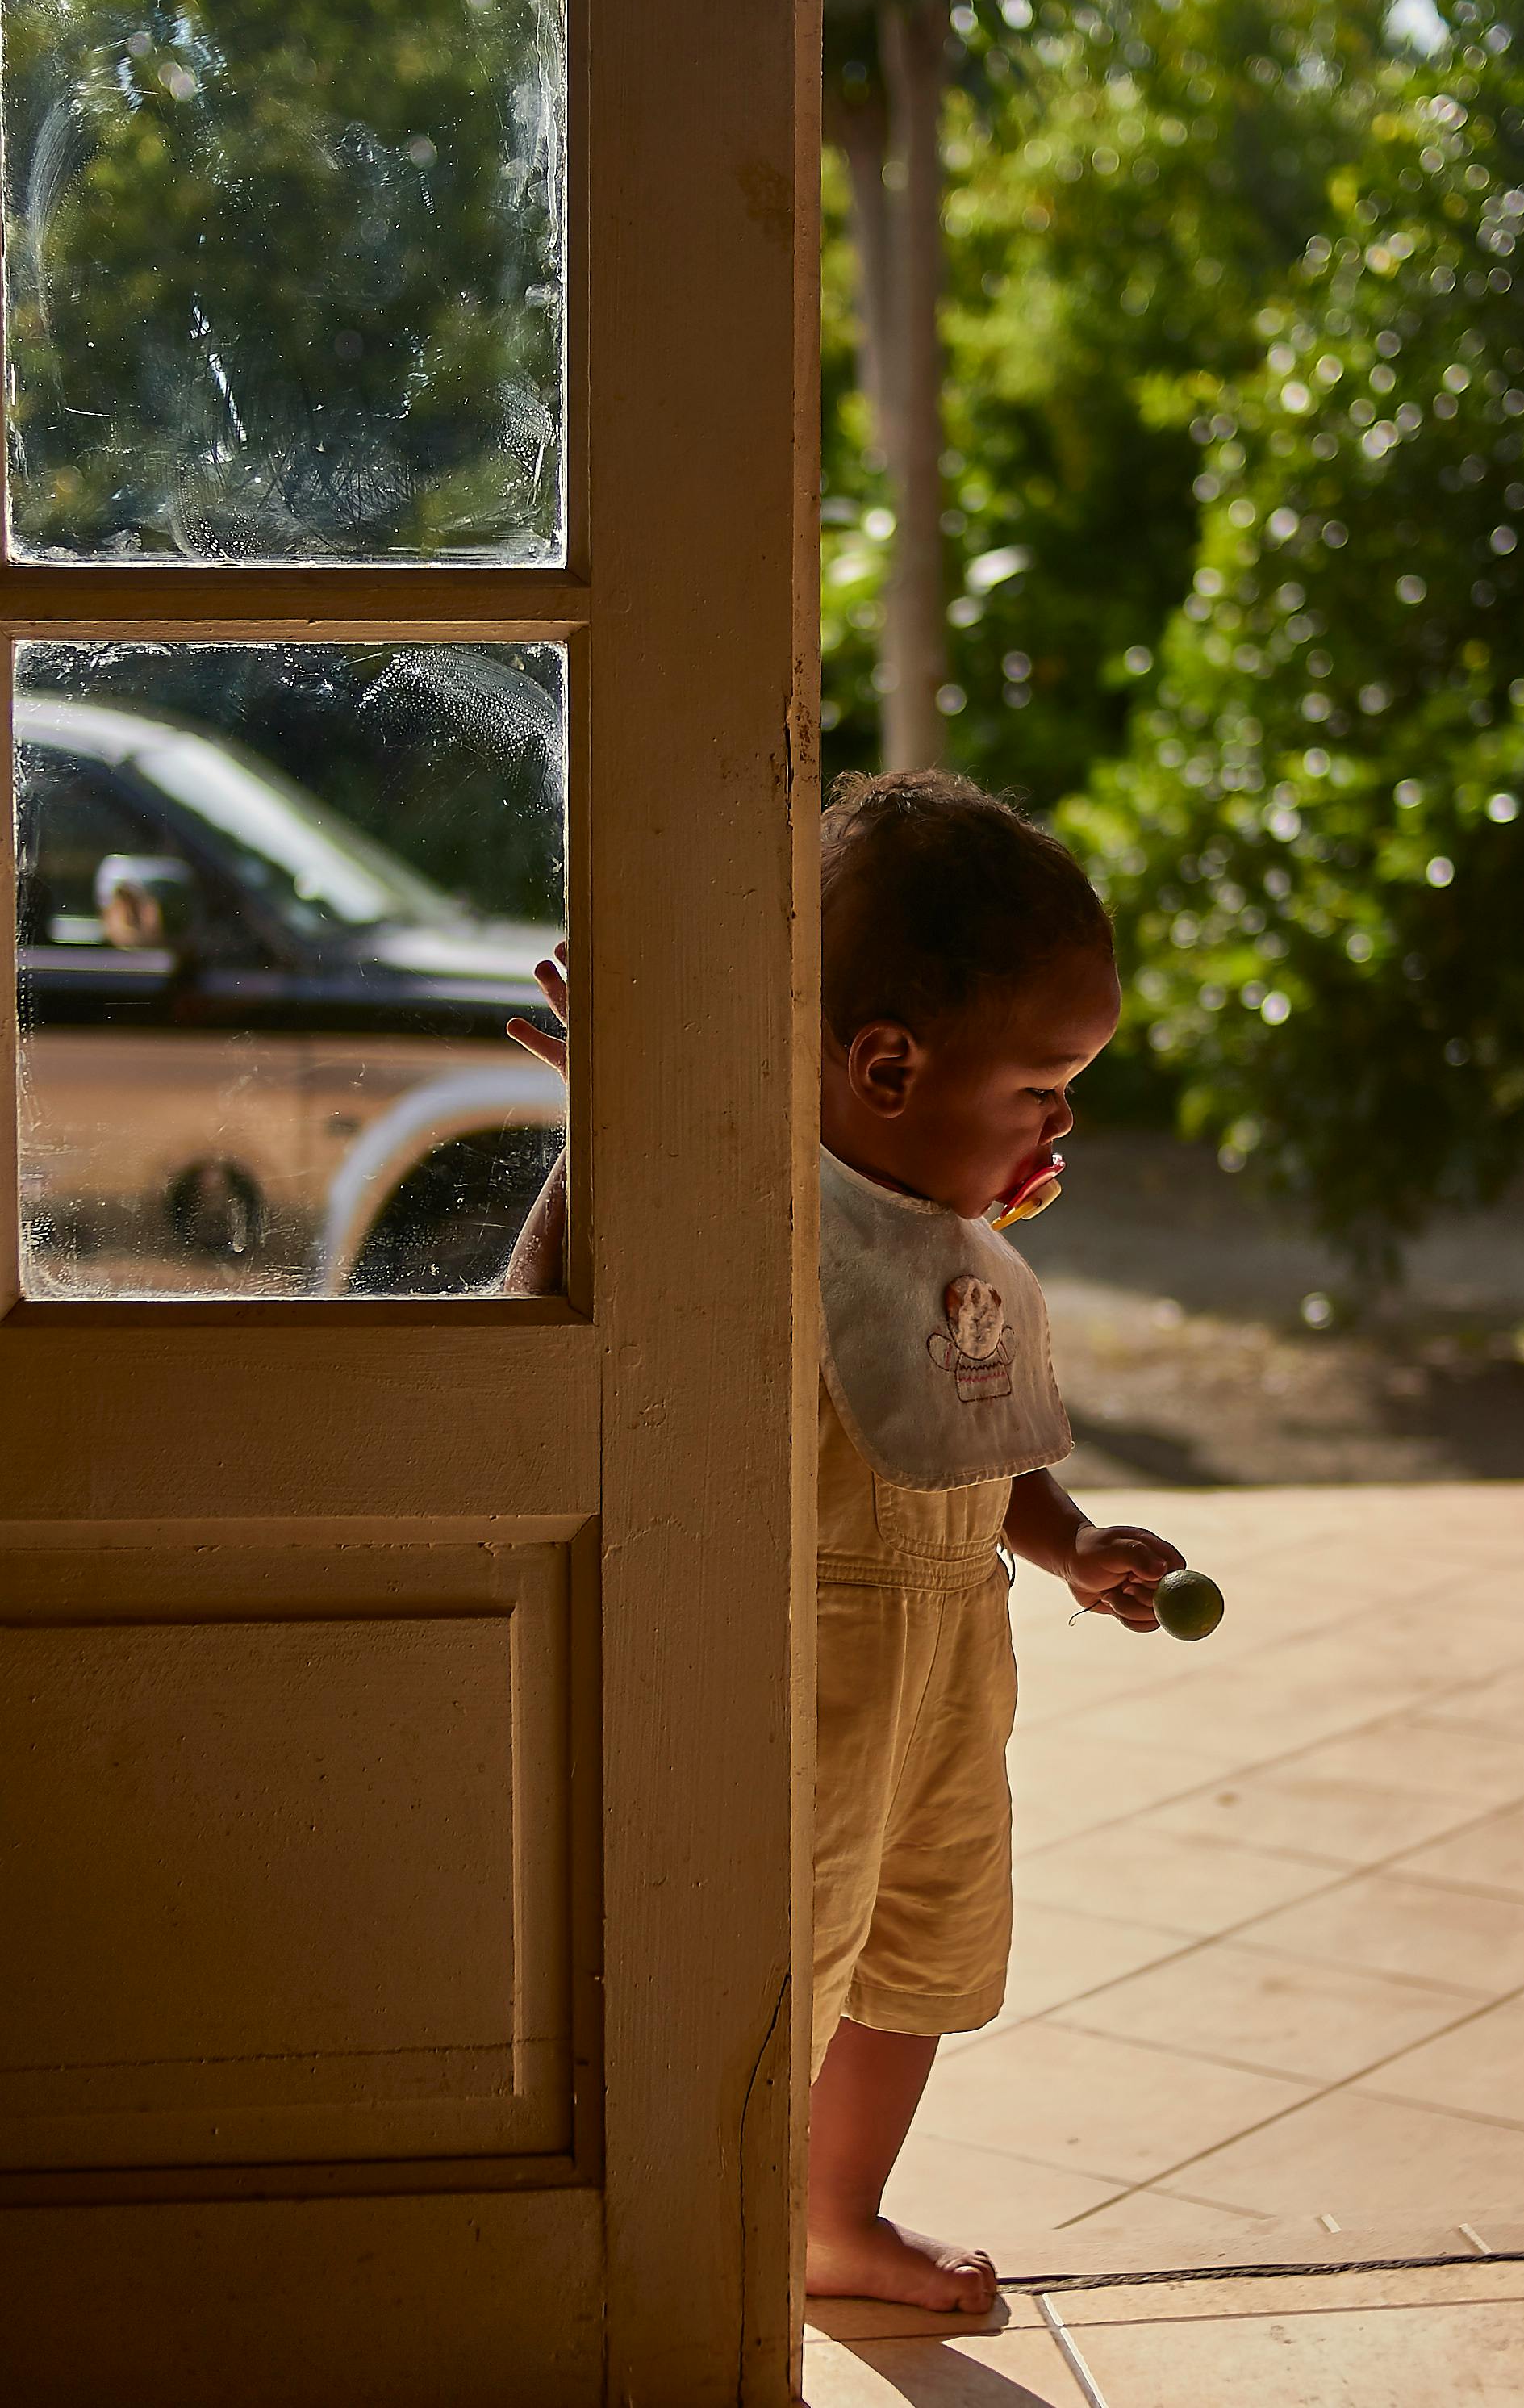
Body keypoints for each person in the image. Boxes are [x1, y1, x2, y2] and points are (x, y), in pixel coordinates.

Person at [503, 770, 1184, 2316]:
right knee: (776, 1960)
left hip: (948, 1675)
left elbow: (962, 1425)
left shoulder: (951, 1243)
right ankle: (694, 2223)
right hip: (793, 1684)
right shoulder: (745, 1209)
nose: (1062, 1121)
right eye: (1041, 1084)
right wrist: (618, 1116)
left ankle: (829, 2215)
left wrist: (1071, 1544)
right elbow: (537, 1319)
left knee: (916, 1950)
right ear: (887, 1065)